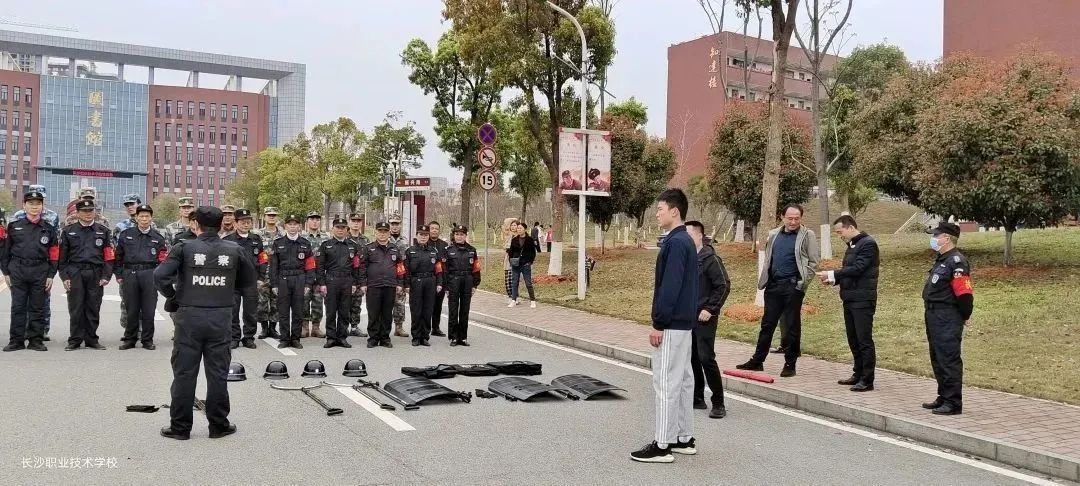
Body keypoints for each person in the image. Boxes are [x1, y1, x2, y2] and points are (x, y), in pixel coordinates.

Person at [155, 206, 257, 441]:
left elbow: (160, 276)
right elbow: (248, 282)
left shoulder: (183, 247)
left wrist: (173, 296)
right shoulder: (234, 250)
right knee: (218, 373)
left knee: (184, 373)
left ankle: (180, 428)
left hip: (189, 317)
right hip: (220, 317)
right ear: (222, 225)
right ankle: (218, 425)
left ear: (196, 225)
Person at [631, 188, 699, 463]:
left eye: (660, 209)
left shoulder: (674, 242)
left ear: (675, 211)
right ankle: (684, 437)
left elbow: (669, 288)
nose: (656, 213)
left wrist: (658, 323)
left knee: (666, 383)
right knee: (683, 381)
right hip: (684, 325)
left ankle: (662, 445)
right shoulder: (686, 242)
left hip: (671, 325)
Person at [736, 204, 819, 378]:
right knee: (767, 325)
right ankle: (757, 361)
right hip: (773, 286)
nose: (793, 221)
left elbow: (813, 262)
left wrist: (801, 284)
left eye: (797, 218)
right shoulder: (774, 234)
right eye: (790, 218)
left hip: (792, 287)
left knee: (791, 326)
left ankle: (790, 363)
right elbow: (769, 259)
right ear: (782, 217)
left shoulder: (807, 235)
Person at [817, 215, 879, 392]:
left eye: (840, 231)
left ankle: (867, 379)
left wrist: (832, 274)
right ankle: (858, 373)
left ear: (850, 227)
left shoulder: (868, 244)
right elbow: (849, 272)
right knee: (853, 338)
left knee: (863, 339)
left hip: (863, 299)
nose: (839, 235)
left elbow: (859, 268)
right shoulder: (852, 246)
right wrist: (833, 281)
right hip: (850, 298)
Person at [921, 222, 974, 416]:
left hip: (947, 316)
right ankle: (943, 395)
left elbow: (964, 293)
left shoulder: (957, 262)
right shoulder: (942, 259)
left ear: (947, 238)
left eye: (937, 235)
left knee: (948, 358)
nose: (934, 239)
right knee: (937, 356)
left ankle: (953, 402)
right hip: (934, 314)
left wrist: (965, 315)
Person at [1, 190, 59, 352]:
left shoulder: (48, 228)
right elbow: (5, 251)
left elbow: (54, 253)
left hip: (40, 270)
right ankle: (16, 341)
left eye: (38, 204)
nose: (35, 207)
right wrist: (6, 273)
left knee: (38, 307)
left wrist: (51, 275)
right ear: (24, 206)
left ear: (42, 206)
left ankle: (36, 340)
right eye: (31, 204)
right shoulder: (14, 226)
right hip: (18, 270)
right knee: (18, 307)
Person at [685, 220, 731, 419]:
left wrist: (710, 309)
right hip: (688, 316)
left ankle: (718, 402)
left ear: (699, 236)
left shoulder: (711, 259)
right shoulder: (686, 258)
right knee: (692, 357)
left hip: (705, 316)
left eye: (688, 235)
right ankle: (697, 397)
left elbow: (723, 285)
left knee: (706, 357)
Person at [59, 199, 114, 351]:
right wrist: (65, 277)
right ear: (77, 213)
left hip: (95, 273)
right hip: (75, 272)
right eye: (84, 211)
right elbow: (62, 258)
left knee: (93, 306)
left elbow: (109, 256)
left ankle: (91, 339)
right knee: (76, 307)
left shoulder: (103, 231)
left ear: (95, 212)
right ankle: (75, 339)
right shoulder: (68, 231)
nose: (88, 214)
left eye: (90, 211)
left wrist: (106, 276)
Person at [114, 204, 169, 350]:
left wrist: (159, 277)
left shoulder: (158, 237)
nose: (144, 219)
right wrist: (119, 274)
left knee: (149, 309)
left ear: (151, 218)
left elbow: (163, 260)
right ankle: (130, 339)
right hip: (130, 274)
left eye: (147, 216)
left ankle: (147, 340)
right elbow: (118, 256)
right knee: (131, 308)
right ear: (136, 218)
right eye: (141, 216)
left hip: (150, 274)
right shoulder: (126, 235)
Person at [224, 209, 267, 350]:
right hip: (233, 282)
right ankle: (234, 337)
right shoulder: (227, 241)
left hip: (251, 281)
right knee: (233, 311)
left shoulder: (256, 239)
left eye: (248, 221)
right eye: (242, 221)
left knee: (250, 312)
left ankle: (248, 337)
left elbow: (263, 259)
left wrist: (261, 278)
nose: (245, 224)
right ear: (235, 223)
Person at [269, 214, 314, 349]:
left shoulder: (305, 243)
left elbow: (310, 266)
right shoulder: (278, 243)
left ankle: (295, 338)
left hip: (299, 278)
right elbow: (273, 266)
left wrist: (308, 284)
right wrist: (274, 284)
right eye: (290, 224)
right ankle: (284, 338)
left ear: (299, 226)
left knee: (298, 311)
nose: (293, 227)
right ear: (285, 226)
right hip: (283, 279)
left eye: (295, 224)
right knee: (283, 311)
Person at [316, 216, 361, 348]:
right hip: (331, 280)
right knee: (331, 311)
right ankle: (331, 338)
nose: (340, 230)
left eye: (343, 228)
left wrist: (354, 283)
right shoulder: (326, 246)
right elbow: (320, 267)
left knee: (344, 311)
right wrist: (322, 283)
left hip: (347, 280)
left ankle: (342, 337)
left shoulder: (353, 246)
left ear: (347, 229)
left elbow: (356, 266)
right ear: (332, 229)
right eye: (338, 228)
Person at [360, 221, 405, 348]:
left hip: (390, 285)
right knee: (373, 313)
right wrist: (363, 283)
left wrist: (400, 283)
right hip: (373, 285)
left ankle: (385, 338)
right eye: (380, 231)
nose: (382, 234)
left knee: (386, 313)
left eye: (385, 231)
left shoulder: (395, 249)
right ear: (375, 232)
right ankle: (373, 338)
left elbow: (400, 267)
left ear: (389, 233)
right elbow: (362, 267)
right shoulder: (368, 248)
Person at [404, 225, 443, 346]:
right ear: (417, 236)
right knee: (416, 310)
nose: (423, 237)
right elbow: (406, 270)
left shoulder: (433, 251)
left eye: (426, 235)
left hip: (430, 281)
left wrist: (439, 283)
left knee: (427, 310)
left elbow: (438, 269)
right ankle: (416, 337)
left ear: (428, 236)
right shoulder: (410, 251)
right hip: (416, 281)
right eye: (421, 234)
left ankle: (425, 336)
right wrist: (407, 284)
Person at [444, 225, 481, 346]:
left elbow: (476, 268)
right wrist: (446, 287)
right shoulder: (448, 250)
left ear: (465, 236)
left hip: (467, 281)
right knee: (453, 310)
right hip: (453, 280)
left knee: (465, 310)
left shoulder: (472, 250)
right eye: (457, 234)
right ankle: (454, 337)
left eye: (462, 234)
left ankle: (463, 337)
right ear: (454, 236)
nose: (459, 237)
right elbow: (445, 270)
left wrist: (475, 285)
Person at [114, 193, 143, 334]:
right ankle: (129, 330)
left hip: (145, 270)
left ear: (139, 203)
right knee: (127, 301)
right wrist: (117, 272)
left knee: (144, 301)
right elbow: (115, 251)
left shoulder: (150, 224)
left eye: (132, 203)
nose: (130, 207)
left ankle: (142, 330)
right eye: (127, 205)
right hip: (127, 269)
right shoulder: (121, 226)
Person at [255, 207, 283, 340]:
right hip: (263, 274)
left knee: (277, 302)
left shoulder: (283, 235)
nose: (272, 217)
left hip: (278, 274)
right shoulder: (257, 235)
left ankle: (273, 327)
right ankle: (264, 328)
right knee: (261, 303)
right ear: (264, 217)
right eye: (269, 215)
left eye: (274, 215)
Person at [301, 212, 327, 339]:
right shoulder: (301, 237)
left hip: (319, 275)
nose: (315, 222)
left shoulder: (326, 238)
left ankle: (316, 327)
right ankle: (304, 327)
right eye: (312, 219)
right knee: (304, 301)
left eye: (317, 219)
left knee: (318, 301)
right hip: (304, 275)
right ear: (307, 221)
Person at [345, 213, 370, 338]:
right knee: (344, 303)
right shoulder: (343, 238)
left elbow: (368, 261)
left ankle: (354, 327)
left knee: (356, 304)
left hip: (360, 277)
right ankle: (343, 327)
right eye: (353, 220)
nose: (356, 223)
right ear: (349, 222)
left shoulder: (366, 240)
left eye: (358, 221)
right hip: (345, 276)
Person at [387, 213, 411, 338]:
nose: (395, 226)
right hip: (386, 275)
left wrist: (406, 281)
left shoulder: (405, 241)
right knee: (385, 303)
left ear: (400, 225)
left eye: (397, 224)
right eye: (392, 224)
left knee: (400, 303)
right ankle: (383, 328)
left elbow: (407, 262)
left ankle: (399, 327)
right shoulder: (384, 238)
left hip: (400, 276)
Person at [507, 220, 538, 308]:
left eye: (520, 228)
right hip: (516, 265)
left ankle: (532, 300)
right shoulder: (514, 240)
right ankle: (513, 300)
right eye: (518, 228)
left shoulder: (529, 240)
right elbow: (511, 252)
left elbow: (533, 252)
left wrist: (530, 261)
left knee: (528, 283)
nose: (519, 230)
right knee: (514, 282)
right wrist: (511, 260)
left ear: (525, 229)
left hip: (525, 265)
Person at [427, 221, 449, 337]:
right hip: (429, 279)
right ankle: (425, 327)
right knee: (427, 304)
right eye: (432, 228)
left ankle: (436, 328)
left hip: (441, 279)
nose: (434, 230)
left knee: (438, 305)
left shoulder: (444, 245)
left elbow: (448, 263)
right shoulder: (425, 243)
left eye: (436, 229)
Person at [500, 218, 516, 304]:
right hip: (508, 259)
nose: (513, 227)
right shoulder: (508, 235)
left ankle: (514, 297)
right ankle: (510, 296)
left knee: (513, 278)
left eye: (515, 225)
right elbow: (505, 246)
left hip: (515, 259)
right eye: (511, 225)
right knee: (507, 279)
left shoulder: (518, 236)